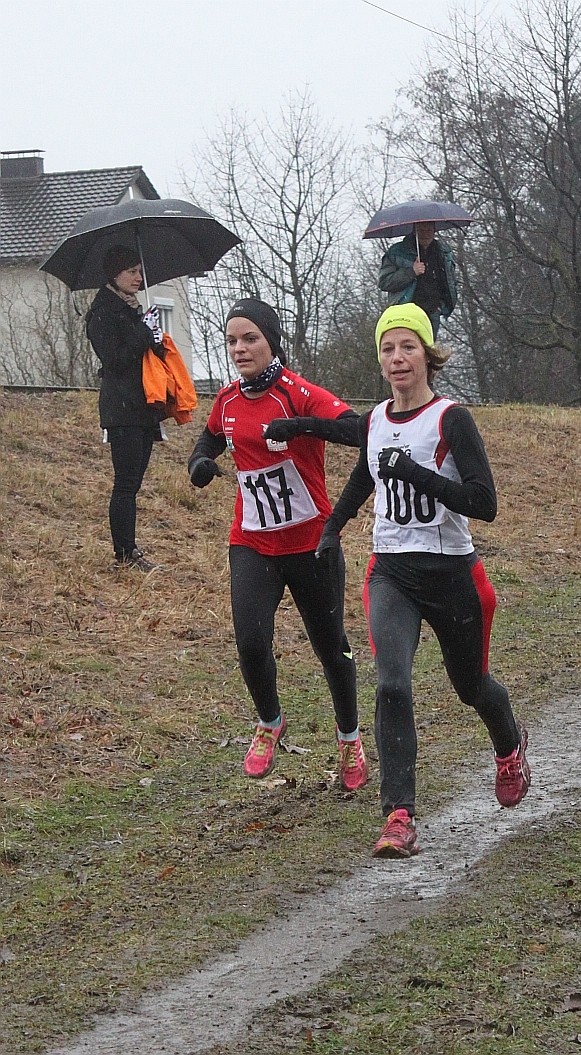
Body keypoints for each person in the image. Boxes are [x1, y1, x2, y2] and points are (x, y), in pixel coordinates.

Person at [317, 303, 530, 859]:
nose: (397, 358)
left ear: (427, 355)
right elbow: (364, 476)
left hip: (453, 573)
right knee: (392, 685)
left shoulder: (451, 418)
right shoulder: (374, 421)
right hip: (391, 572)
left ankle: (509, 743)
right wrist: (333, 528)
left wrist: (416, 474)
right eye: (388, 349)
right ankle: (399, 815)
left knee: (470, 686)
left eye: (407, 346)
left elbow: (484, 503)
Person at [186, 298, 369, 790]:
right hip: (252, 541)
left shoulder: (297, 392)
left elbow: (358, 429)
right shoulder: (227, 400)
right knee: (250, 642)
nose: (240, 349)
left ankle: (349, 738)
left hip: (311, 543)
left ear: (271, 342)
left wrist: (300, 425)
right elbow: (209, 439)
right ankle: (270, 722)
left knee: (332, 649)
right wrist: (199, 464)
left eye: (250, 339)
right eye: (232, 341)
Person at [86, 245, 167, 571]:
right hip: (122, 409)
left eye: (139, 271)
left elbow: (145, 356)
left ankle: (129, 549)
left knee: (134, 482)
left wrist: (155, 338)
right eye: (131, 271)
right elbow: (115, 361)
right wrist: (142, 332)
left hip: (143, 406)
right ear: (114, 274)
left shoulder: (132, 309)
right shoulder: (102, 313)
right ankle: (124, 553)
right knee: (126, 483)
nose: (138, 277)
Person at [377, 221, 458, 339]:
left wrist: (442, 305)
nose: (425, 234)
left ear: (434, 231)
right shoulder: (397, 253)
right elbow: (384, 282)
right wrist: (412, 272)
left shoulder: (444, 252)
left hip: (433, 312)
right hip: (406, 312)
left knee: (429, 348)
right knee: (410, 345)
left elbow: (451, 280)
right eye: (421, 230)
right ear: (414, 231)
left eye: (429, 230)